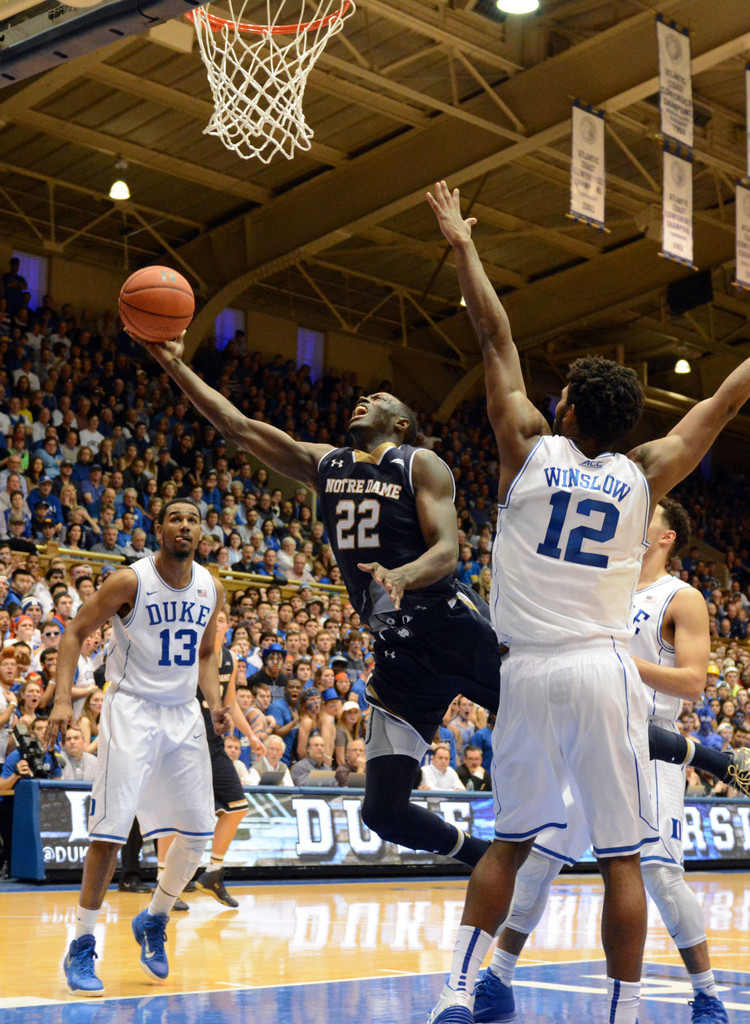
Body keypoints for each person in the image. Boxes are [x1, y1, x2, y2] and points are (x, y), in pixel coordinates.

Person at [426, 178, 750, 1024]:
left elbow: (494, 334)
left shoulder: (528, 447)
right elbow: (719, 405)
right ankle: (626, 1013)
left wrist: (463, 243)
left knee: (510, 840)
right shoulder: (646, 478)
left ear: (565, 406)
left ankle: (458, 994)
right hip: (606, 674)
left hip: (528, 672)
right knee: (623, 861)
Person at [132, 331, 501, 870]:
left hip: (455, 630)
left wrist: (404, 574)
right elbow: (237, 427)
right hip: (401, 657)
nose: (364, 399)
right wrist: (173, 364)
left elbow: (448, 552)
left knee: (561, 716)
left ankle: (657, 752)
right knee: (383, 811)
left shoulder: (418, 464)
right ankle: (480, 857)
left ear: (400, 423)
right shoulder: (328, 466)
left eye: (379, 399)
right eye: (364, 396)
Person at [480, 497, 728, 1024]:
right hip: (582, 730)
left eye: (650, 518)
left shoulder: (680, 597)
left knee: (659, 875)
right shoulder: (602, 587)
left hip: (648, 739)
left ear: (666, 538)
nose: (638, 520)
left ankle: (707, 994)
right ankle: (496, 979)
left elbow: (693, 682)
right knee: (539, 858)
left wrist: (620, 663)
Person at [44, 498, 230, 996]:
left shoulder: (211, 585)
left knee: (197, 835)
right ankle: (81, 943)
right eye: (176, 518)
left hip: (183, 714)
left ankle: (154, 918)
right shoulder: (130, 580)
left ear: (201, 531)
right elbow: (75, 631)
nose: (185, 526)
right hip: (130, 710)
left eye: (193, 519)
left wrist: (214, 701)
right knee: (108, 831)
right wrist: (63, 700)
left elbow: (208, 651)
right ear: (160, 528)